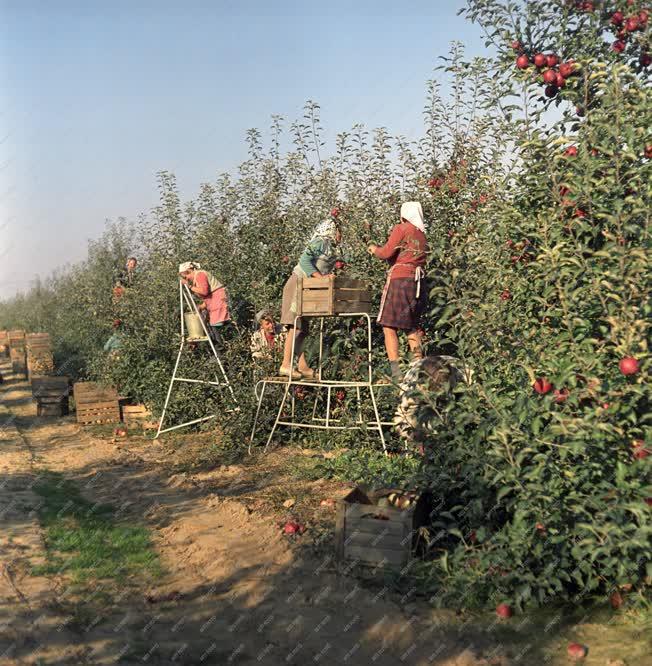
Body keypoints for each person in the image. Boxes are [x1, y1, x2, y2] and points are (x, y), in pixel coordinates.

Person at [368, 201, 428, 382]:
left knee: (389, 325)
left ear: (404, 215)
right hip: (417, 282)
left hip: (400, 280)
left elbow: (386, 253)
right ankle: (418, 370)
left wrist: (373, 249)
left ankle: (396, 373)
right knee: (410, 326)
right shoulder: (422, 234)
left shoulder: (402, 228)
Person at [279, 217, 341, 379]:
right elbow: (304, 261)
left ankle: (302, 365)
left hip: (306, 288)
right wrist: (321, 277)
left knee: (303, 329)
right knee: (295, 326)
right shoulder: (321, 242)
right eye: (340, 231)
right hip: (296, 285)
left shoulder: (331, 248)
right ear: (333, 230)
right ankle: (286, 364)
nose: (341, 235)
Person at [178, 261, 230, 345]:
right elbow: (209, 295)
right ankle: (222, 347)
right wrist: (202, 306)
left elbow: (204, 292)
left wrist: (189, 286)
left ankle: (221, 348)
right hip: (215, 302)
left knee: (215, 325)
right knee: (212, 325)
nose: (186, 278)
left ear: (188, 271)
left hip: (219, 301)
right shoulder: (197, 277)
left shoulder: (200, 275)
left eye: (185, 276)